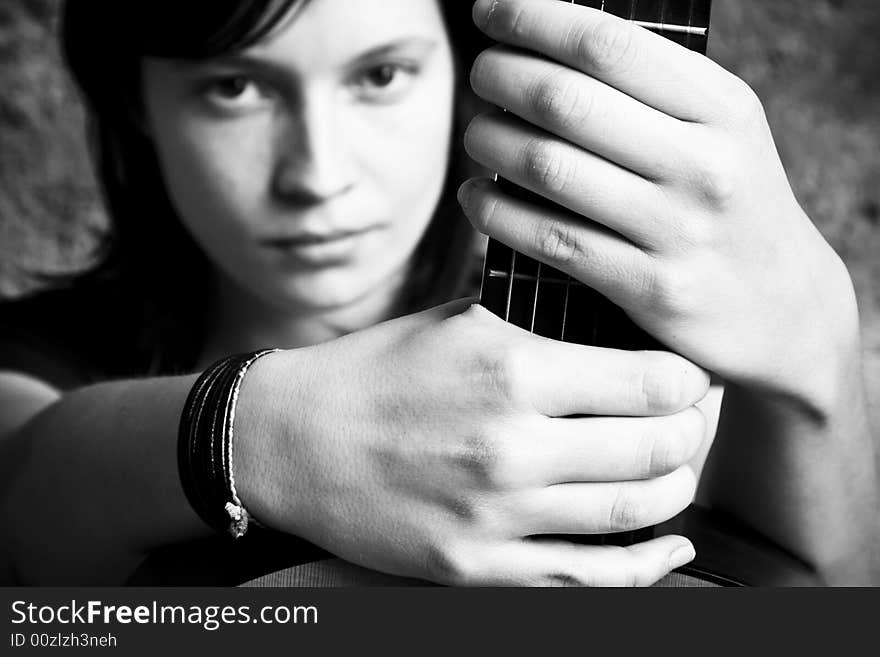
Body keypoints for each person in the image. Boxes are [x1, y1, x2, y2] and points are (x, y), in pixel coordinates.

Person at [0, 0, 876, 586]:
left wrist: (819, 345)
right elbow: (25, 483)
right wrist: (260, 432)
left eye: (380, 75)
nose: (318, 175)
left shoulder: (644, 360)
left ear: (466, 71)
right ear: (136, 99)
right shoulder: (37, 363)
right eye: (234, 87)